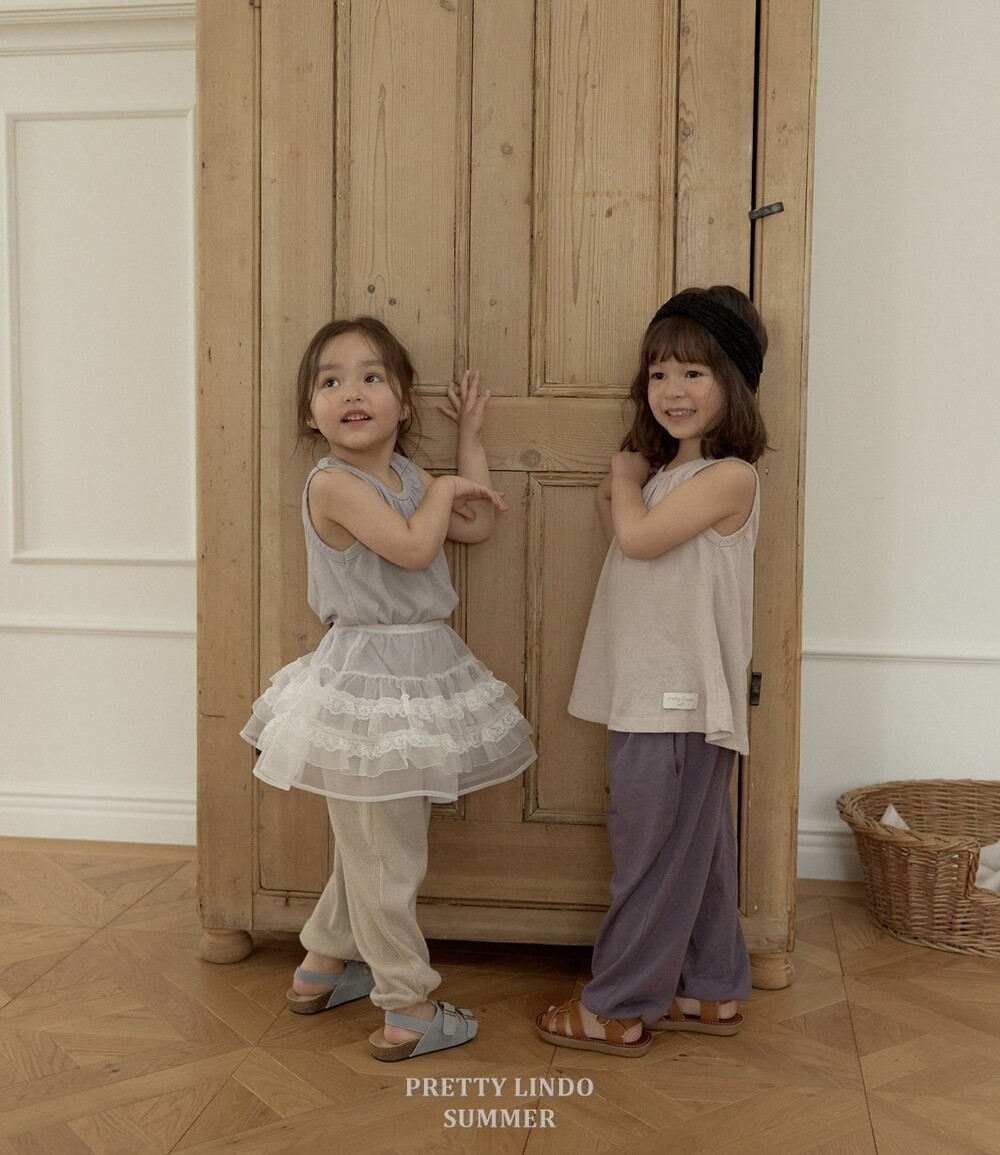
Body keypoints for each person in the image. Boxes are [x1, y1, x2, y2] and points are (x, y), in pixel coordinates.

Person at [242, 316, 536, 1062]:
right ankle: (407, 1004)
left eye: (371, 377)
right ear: (312, 413)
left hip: (417, 670)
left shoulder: (407, 476)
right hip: (369, 676)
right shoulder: (334, 483)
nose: (352, 392)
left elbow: (473, 523)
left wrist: (468, 440)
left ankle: (321, 965)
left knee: (373, 841)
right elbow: (412, 546)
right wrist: (445, 487)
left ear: (403, 404)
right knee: (385, 853)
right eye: (330, 381)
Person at [536, 285, 769, 1057]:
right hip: (662, 698)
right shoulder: (673, 477)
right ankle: (707, 986)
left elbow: (634, 536)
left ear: (733, 383)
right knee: (693, 852)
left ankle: (618, 1004)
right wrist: (630, 481)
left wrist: (625, 476)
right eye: (659, 372)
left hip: (676, 703)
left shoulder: (728, 477)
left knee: (652, 858)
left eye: (693, 373)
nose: (671, 389)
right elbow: (624, 526)